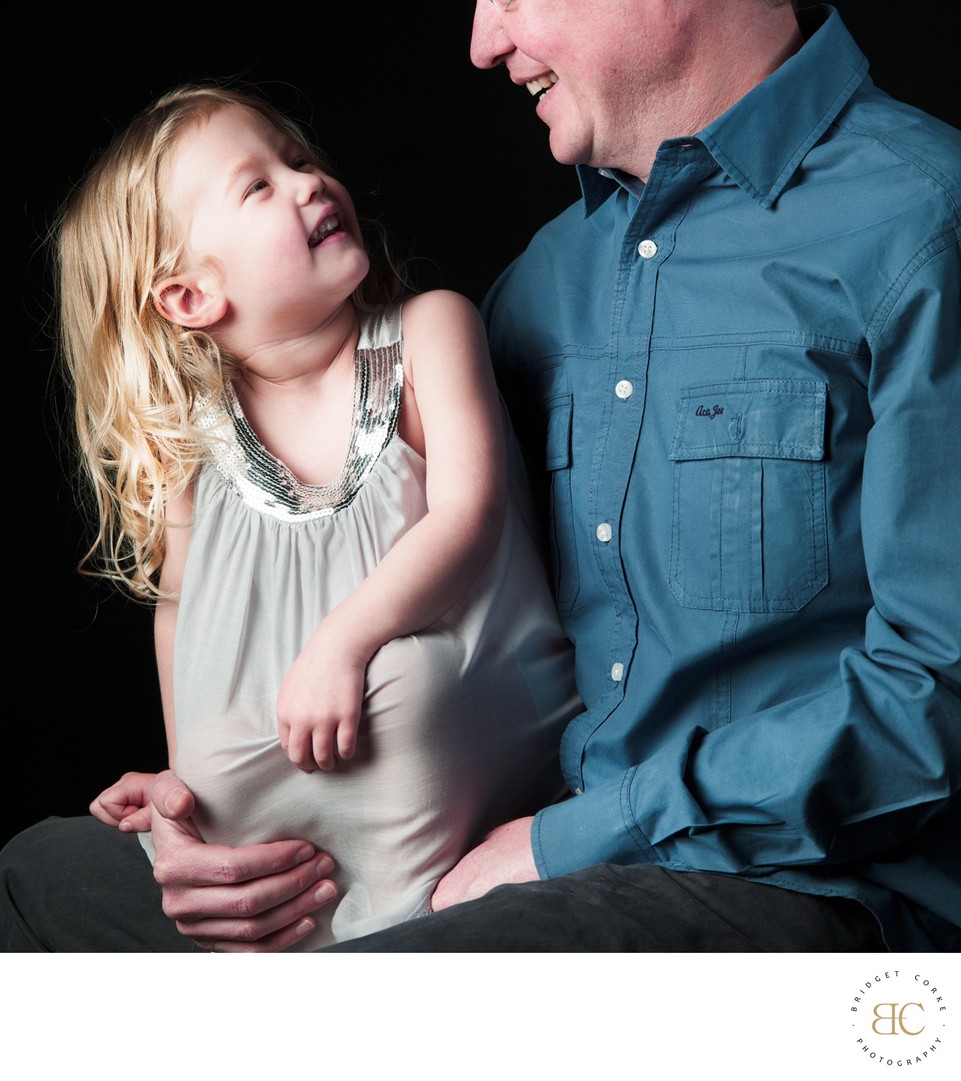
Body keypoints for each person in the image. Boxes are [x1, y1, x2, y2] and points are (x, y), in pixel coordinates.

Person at [325, 0, 961, 951]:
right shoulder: (535, 294)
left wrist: (574, 835)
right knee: (53, 882)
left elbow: (936, 700)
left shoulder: (923, 227)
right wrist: (238, 809)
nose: (478, 41)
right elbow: (449, 644)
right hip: (553, 888)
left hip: (836, 907)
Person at [0, 83, 577, 950]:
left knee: (404, 693)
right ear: (190, 297)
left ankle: (399, 921)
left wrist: (342, 644)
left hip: (456, 706)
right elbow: (179, 606)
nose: (306, 182)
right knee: (210, 764)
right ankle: (296, 917)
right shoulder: (196, 439)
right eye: (258, 185)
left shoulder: (427, 331)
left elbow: (470, 515)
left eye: (298, 159)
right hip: (304, 750)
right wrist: (180, 779)